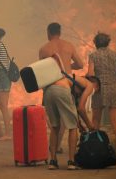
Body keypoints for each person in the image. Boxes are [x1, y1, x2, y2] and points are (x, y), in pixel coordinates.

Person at [39, 23, 84, 170]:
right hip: (64, 87)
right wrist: (69, 67)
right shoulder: (68, 46)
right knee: (72, 125)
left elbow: (42, 72)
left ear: (48, 32)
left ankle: (53, 161)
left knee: (54, 126)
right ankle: (71, 162)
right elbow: (80, 64)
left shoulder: (44, 49)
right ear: (60, 32)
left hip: (50, 89)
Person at [87, 32, 116, 158]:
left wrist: (94, 85)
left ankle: (95, 146)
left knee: (96, 119)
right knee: (115, 120)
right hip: (115, 87)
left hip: (99, 88)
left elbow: (90, 73)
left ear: (96, 43)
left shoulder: (93, 55)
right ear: (108, 42)